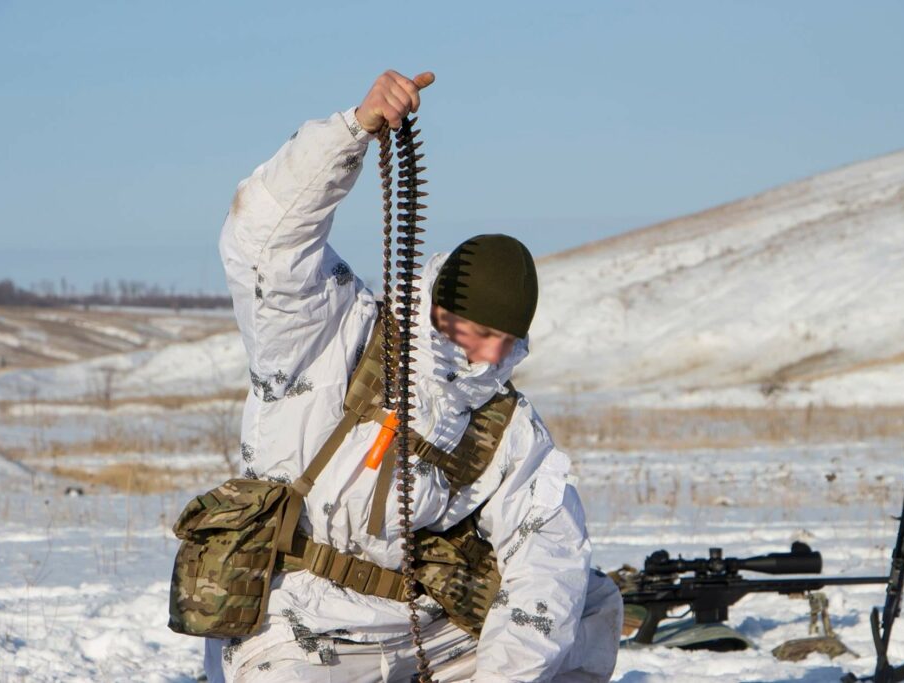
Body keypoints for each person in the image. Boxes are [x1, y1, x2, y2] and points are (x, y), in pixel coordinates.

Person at [208, 69, 622, 682]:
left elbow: (547, 551)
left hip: (423, 625)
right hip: (297, 624)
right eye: (466, 329)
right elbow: (260, 242)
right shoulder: (330, 332)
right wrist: (351, 131)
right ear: (434, 304)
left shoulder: (504, 420)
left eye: (499, 341)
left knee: (585, 604)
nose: (479, 354)